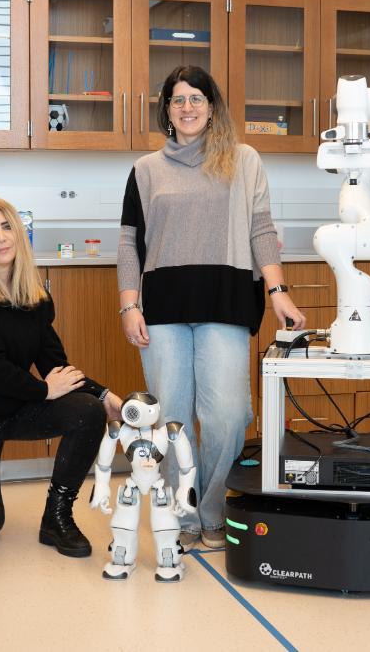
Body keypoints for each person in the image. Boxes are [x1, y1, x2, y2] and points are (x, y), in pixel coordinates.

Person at [118, 65, 306, 549]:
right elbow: (129, 244)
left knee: (226, 414)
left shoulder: (243, 161)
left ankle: (215, 509)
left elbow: (261, 230)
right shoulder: (145, 170)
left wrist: (277, 291)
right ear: (167, 110)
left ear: (212, 106)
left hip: (225, 300)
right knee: (173, 417)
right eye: (178, 100)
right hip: (162, 309)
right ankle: (181, 514)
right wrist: (129, 306)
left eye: (196, 98)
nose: (187, 107)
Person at [0, 198, 123, 556]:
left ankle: (57, 518)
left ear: (19, 234)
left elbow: (55, 365)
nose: (0, 237)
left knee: (87, 412)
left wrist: (103, 395)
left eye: (6, 227)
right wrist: (44, 390)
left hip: (12, 406)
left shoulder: (34, 295)